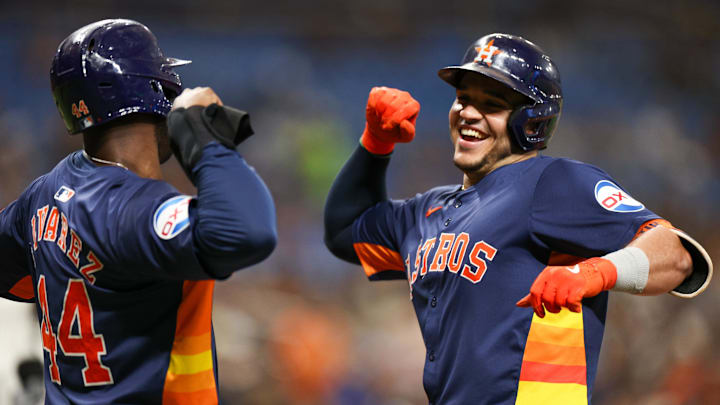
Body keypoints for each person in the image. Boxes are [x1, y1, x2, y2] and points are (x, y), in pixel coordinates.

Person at [324, 33, 713, 405]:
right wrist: (375, 143)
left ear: (532, 122)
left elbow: (676, 255)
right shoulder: (425, 212)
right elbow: (344, 232)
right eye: (463, 98)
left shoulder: (552, 183)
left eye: (491, 104)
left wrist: (595, 272)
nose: (468, 113)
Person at [0, 19, 277, 404]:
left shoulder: (43, 195)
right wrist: (206, 142)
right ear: (158, 92)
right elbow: (249, 232)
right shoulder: (132, 206)